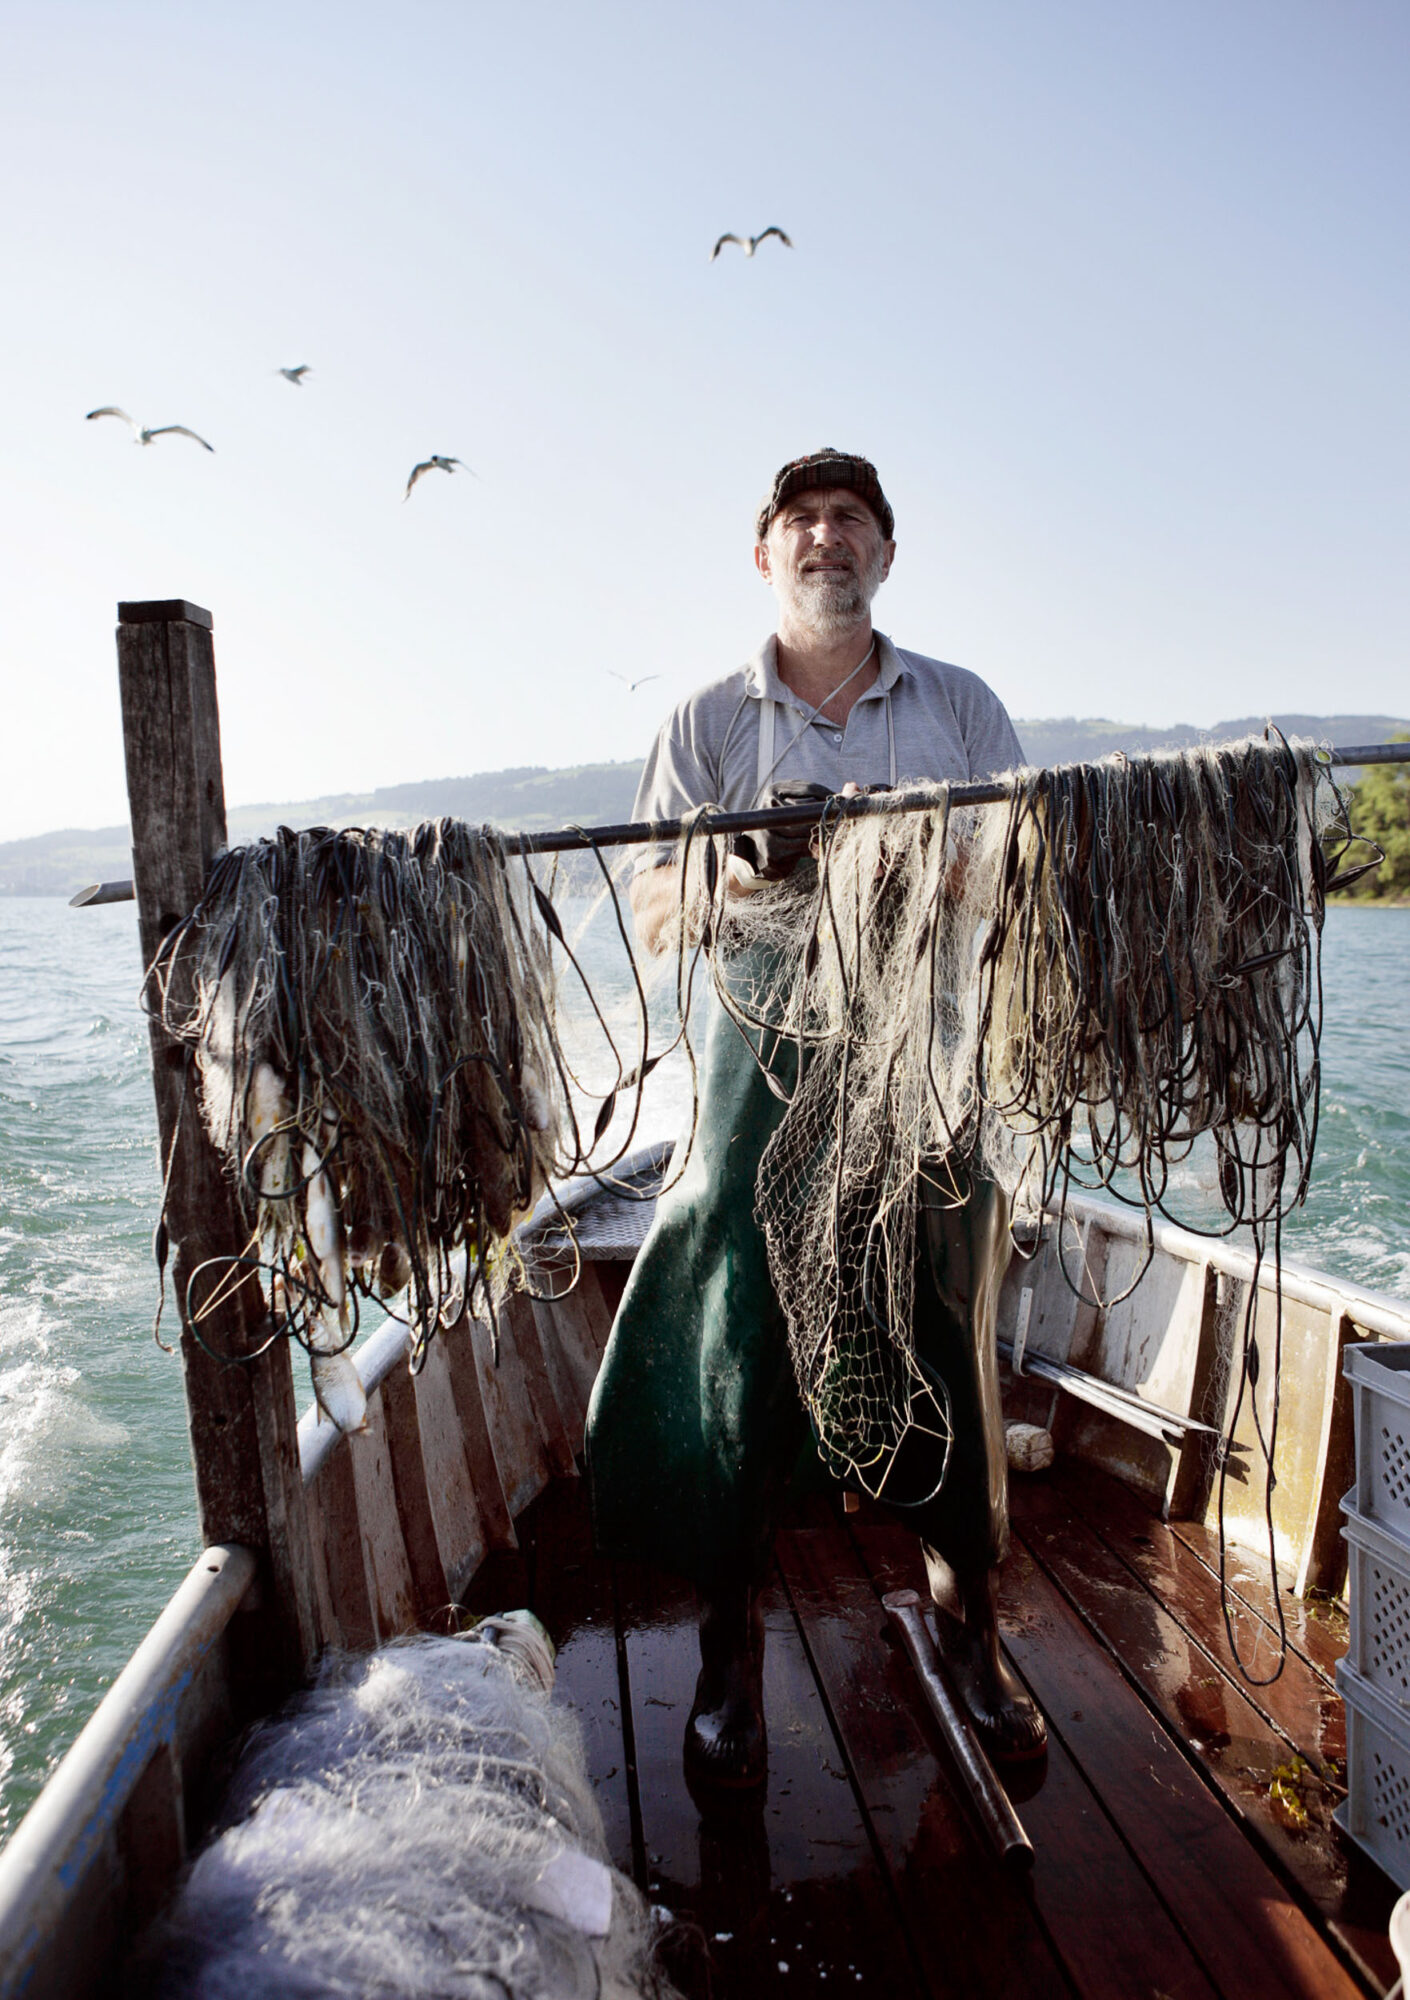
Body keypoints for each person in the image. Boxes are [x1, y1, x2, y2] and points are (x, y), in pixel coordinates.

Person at [586, 448, 1046, 1788]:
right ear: (763, 557)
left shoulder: (958, 706)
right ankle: (730, 1645)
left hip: (924, 1076)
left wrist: (907, 857)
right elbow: (656, 918)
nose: (824, 538)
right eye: (799, 522)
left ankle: (968, 1632)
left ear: (884, 554)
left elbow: (1007, 885)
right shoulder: (707, 721)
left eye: (849, 521)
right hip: (753, 1082)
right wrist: (745, 860)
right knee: (737, 1325)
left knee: (942, 1328)